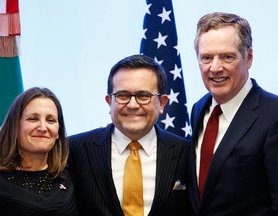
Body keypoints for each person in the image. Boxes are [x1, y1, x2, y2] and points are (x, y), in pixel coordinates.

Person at [67, 54, 192, 215]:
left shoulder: (187, 153)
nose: (132, 105)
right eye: (123, 96)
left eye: (143, 96)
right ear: (109, 102)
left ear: (162, 103)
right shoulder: (74, 149)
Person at [189, 12, 278, 215]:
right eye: (206, 58)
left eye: (227, 57)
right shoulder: (198, 109)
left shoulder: (274, 114)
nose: (215, 67)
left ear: (249, 58)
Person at [0, 87, 78, 216]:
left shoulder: (70, 177)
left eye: (51, 120)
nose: (43, 127)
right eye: (32, 119)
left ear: (58, 132)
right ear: (14, 127)